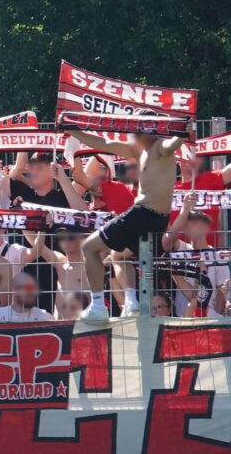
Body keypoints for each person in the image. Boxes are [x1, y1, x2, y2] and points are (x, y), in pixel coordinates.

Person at [68, 128, 186, 322]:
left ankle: (98, 306)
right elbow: (103, 144)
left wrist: (183, 132)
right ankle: (131, 304)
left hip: (144, 213)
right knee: (118, 255)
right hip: (155, 217)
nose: (135, 134)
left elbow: (171, 145)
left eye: (139, 129)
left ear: (151, 130)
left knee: (89, 248)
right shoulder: (139, 149)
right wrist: (74, 131)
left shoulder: (159, 147)